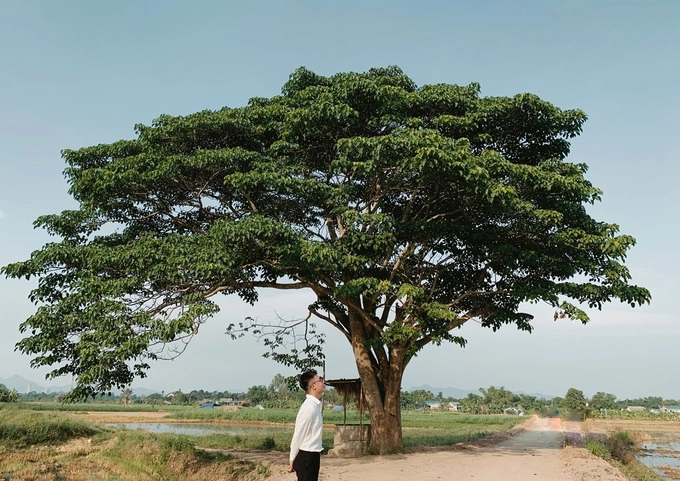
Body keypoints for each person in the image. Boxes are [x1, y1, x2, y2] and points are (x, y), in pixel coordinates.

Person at [288, 369, 325, 481]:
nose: (323, 383)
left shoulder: (315, 406)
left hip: (313, 456)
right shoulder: (309, 408)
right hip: (306, 457)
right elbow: (299, 434)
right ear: (313, 386)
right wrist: (292, 458)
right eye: (320, 380)